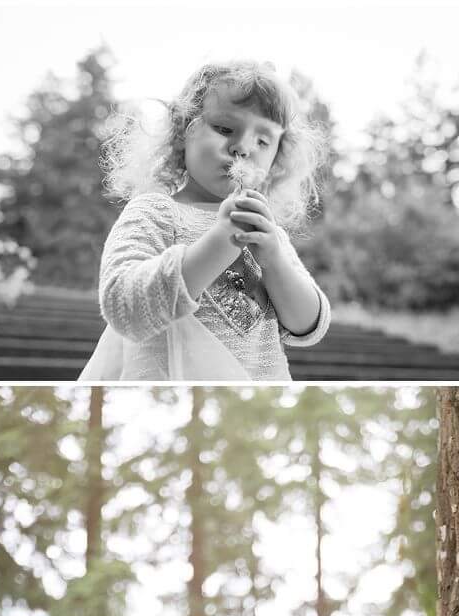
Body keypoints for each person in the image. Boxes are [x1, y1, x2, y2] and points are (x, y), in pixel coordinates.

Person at [80, 61, 331, 381]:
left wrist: (275, 261)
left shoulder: (267, 233)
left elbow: (308, 326)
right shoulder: (155, 212)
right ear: (185, 130)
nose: (243, 147)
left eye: (263, 142)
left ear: (276, 159)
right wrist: (220, 241)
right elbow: (123, 306)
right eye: (226, 129)